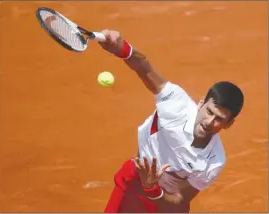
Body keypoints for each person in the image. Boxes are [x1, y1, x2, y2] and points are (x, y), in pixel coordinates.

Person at [98, 29, 244, 213]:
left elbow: (180, 202)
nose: (209, 122)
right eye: (208, 111)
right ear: (200, 104)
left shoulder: (214, 161)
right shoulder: (176, 104)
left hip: (163, 202)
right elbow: (143, 67)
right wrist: (121, 48)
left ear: (229, 124)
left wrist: (153, 189)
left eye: (219, 119)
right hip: (133, 185)